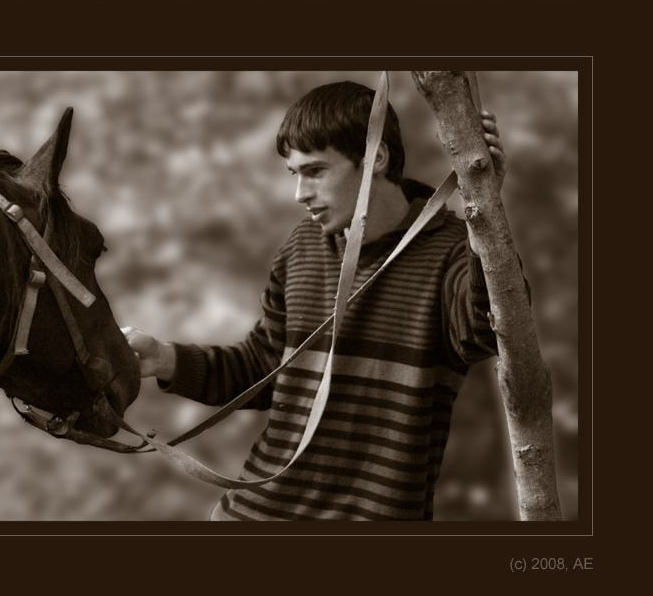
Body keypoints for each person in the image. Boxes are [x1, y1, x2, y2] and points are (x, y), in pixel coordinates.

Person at [121, 80, 510, 521]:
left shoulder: (453, 251)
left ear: (375, 159)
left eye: (316, 171)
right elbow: (264, 367)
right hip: (253, 515)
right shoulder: (302, 244)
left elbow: (484, 332)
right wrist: (164, 358)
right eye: (294, 174)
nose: (300, 194)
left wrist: (487, 216)